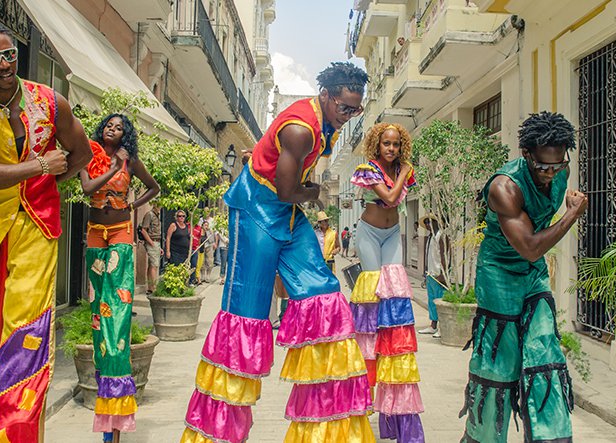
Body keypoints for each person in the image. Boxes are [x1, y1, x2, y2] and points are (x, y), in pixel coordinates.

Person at [181, 62, 375, 442]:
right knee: (246, 317)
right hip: (256, 210)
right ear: (326, 97)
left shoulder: (326, 127)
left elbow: (287, 189)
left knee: (324, 297)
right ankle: (216, 432)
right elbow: (289, 191)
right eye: (345, 108)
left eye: (356, 110)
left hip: (286, 214)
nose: (350, 116)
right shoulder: (301, 130)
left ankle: (325, 430)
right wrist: (314, 192)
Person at [0, 23, 92, 442]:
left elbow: (81, 153)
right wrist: (40, 168)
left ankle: (16, 434)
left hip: (38, 229)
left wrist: (45, 187)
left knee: (25, 333)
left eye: (10, 53)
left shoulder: (50, 102)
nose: (6, 64)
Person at [459, 112, 587, 443]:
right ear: (526, 154)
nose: (550, 174)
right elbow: (529, 247)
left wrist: (559, 185)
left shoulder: (560, 170)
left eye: (557, 166)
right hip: (499, 272)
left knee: (546, 354)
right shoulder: (505, 187)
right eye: (543, 166)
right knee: (498, 365)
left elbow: (532, 255)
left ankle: (551, 438)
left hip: (532, 273)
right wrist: (571, 215)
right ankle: (483, 437)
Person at [80, 113, 160, 442]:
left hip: (121, 231)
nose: (114, 130)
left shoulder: (132, 162)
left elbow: (154, 188)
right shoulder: (88, 153)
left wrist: (132, 203)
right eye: (110, 126)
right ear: (103, 130)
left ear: (126, 135)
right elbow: (86, 188)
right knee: (100, 306)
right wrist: (113, 169)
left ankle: (116, 370)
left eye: (120, 128)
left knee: (119, 305)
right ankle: (107, 385)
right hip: (96, 231)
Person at [350, 122, 424, 442]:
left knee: (394, 298)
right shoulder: (369, 169)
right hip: (369, 234)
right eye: (386, 144)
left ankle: (395, 407)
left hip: (393, 233)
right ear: (377, 145)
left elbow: (398, 204)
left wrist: (406, 170)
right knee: (371, 295)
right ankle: (363, 391)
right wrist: (406, 168)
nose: (391, 149)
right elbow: (392, 200)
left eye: (396, 144)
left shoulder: (403, 170)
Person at [417, 214, 448, 338]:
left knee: (440, 300)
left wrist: (443, 273)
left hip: (438, 274)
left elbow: (445, 256)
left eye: (429, 222)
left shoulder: (442, 236)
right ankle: (433, 325)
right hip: (430, 273)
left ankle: (441, 327)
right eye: (426, 223)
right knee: (432, 300)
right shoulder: (431, 237)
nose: (428, 225)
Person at [141, 202, 163, 294]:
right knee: (155, 265)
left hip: (157, 241)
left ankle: (150, 287)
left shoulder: (157, 215)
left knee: (152, 265)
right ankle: (153, 287)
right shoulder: (149, 214)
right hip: (152, 241)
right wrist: (151, 242)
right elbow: (143, 230)